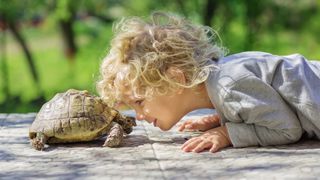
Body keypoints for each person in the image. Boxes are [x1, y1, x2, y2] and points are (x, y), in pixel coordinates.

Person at [96, 12, 320, 153]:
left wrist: (226, 133)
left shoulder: (228, 86)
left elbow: (287, 129)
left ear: (175, 79)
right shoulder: (223, 82)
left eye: (140, 101)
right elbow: (264, 104)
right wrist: (221, 117)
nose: (140, 115)